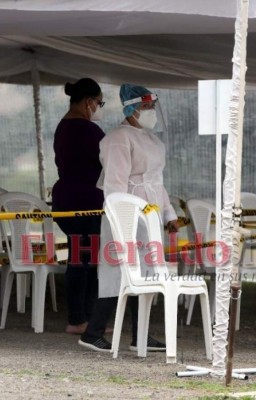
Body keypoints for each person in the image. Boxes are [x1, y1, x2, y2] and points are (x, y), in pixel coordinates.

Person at [78, 83, 178, 352]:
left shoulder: (151, 139)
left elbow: (157, 183)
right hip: (126, 214)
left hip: (150, 215)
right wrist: (123, 221)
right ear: (132, 108)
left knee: (145, 273)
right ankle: (92, 332)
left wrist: (169, 213)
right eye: (146, 107)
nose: (151, 112)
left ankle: (141, 334)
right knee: (118, 271)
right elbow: (115, 185)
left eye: (152, 106)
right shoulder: (117, 138)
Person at [52, 78, 105, 335]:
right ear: (88, 102)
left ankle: (83, 317)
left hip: (65, 200)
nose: (99, 107)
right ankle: (79, 319)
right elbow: (109, 161)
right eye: (99, 103)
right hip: (86, 202)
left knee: (81, 257)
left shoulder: (62, 128)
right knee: (85, 260)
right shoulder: (89, 131)